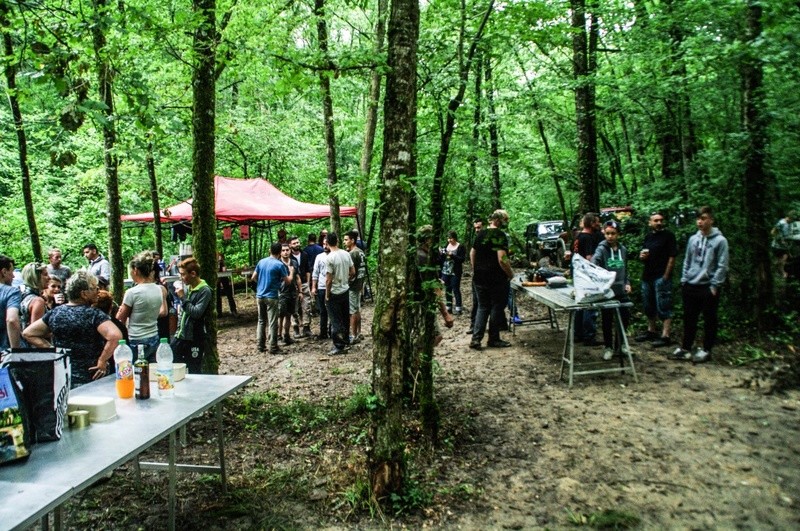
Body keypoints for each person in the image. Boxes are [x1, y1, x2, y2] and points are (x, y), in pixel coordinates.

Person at [22, 270, 122, 388]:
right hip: (92, 375)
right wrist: (102, 360)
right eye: (95, 288)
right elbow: (115, 336)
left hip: (63, 375)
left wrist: (53, 350)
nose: (98, 291)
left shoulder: (55, 312)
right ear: (84, 294)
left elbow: (28, 333)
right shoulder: (94, 314)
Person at [670, 206, 729, 364]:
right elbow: (687, 260)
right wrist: (684, 280)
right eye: (698, 219)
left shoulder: (720, 241)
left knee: (709, 319)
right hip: (691, 284)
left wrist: (715, 285)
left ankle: (706, 349)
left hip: (708, 286)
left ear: (711, 220)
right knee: (689, 318)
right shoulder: (693, 239)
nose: (700, 222)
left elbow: (722, 265)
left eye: (703, 218)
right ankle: (686, 348)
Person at [470, 209, 514, 350]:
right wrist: (510, 273)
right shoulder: (499, 235)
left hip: (479, 277)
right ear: (498, 220)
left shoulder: (481, 233)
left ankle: (476, 339)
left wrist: (475, 268)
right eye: (504, 221)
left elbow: (472, 252)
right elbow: (502, 258)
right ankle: (493, 339)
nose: (504, 224)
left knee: (483, 307)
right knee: (496, 306)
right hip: (496, 279)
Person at [636, 211, 677, 347]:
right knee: (649, 305)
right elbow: (644, 254)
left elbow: (672, 257)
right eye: (656, 221)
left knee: (664, 305)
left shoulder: (668, 236)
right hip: (647, 276)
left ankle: (665, 335)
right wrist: (642, 257)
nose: (659, 223)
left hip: (661, 276)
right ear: (650, 222)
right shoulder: (648, 237)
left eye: (661, 220)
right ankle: (651, 330)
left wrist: (666, 275)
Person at [592, 221, 632, 361]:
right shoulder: (601, 249)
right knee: (607, 319)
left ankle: (620, 345)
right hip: (607, 291)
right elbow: (594, 264)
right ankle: (608, 347)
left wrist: (627, 283)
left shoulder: (623, 250)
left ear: (618, 234)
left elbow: (625, 269)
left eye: (613, 233)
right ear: (604, 233)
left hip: (621, 290)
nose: (610, 236)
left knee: (624, 318)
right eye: (607, 233)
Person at [116, 251, 167, 362]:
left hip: (136, 339)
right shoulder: (161, 289)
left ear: (135, 270)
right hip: (154, 336)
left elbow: (120, 319)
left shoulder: (132, 293)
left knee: (138, 372)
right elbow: (164, 312)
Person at [172, 257, 213, 373]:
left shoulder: (205, 291)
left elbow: (196, 313)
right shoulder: (189, 287)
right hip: (180, 336)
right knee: (173, 366)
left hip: (195, 338)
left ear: (193, 274)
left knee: (194, 370)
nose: (181, 278)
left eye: (183, 274)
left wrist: (182, 298)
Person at [416, 225, 455, 346]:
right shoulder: (422, 258)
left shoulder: (418, 254)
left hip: (419, 302)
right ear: (428, 240)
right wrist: (445, 314)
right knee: (434, 336)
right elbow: (433, 288)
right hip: (421, 303)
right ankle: (420, 361)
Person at [252, 242, 290, 354]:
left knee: (261, 320)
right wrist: (291, 273)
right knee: (273, 322)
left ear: (270, 250)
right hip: (272, 296)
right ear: (279, 253)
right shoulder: (279, 265)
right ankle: (273, 347)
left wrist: (261, 284)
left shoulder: (261, 262)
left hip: (260, 295)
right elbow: (287, 281)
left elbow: (253, 277)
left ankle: (260, 345)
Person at [573, 213, 602, 346]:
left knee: (580, 304)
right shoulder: (588, 238)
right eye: (597, 222)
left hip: (578, 274)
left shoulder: (578, 236)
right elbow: (589, 258)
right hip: (587, 276)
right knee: (590, 306)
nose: (599, 224)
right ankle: (589, 336)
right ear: (591, 223)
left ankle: (577, 334)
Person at [325, 232, 354, 355]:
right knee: (345, 316)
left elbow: (328, 279)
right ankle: (346, 339)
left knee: (335, 319)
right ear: (337, 240)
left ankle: (339, 346)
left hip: (335, 292)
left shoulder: (330, 258)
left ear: (327, 243)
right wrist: (346, 279)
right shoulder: (346, 254)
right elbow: (353, 271)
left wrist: (327, 294)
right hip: (345, 290)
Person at [18, 262, 49, 346]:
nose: (49, 278)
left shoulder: (20, 295)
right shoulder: (37, 301)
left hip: (21, 345)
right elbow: (36, 332)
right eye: (45, 275)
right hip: (35, 350)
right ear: (36, 277)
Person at [344, 230, 367, 343]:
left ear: (352, 240)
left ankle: (353, 335)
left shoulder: (352, 254)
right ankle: (358, 332)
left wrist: (345, 281)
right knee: (357, 309)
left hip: (352, 286)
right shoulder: (361, 252)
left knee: (352, 311)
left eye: (346, 240)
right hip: (359, 284)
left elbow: (351, 272)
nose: (344, 242)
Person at [278, 243, 301, 345]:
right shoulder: (278, 263)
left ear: (290, 250)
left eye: (287, 250)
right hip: (281, 292)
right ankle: (278, 335)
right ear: (280, 252)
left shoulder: (294, 263)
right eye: (283, 250)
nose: (285, 252)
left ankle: (286, 335)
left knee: (289, 315)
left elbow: (297, 278)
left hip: (292, 292)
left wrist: (300, 291)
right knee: (280, 315)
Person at [290, 235, 312, 338]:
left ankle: (306, 328)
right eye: (294, 243)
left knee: (306, 306)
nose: (296, 245)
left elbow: (308, 270)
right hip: (292, 285)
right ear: (290, 245)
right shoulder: (288, 257)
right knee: (294, 307)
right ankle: (296, 328)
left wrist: (308, 283)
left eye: (297, 242)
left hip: (304, 283)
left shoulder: (305, 254)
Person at [441, 230, 466, 316]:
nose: (449, 240)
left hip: (455, 271)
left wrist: (453, 256)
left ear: (454, 238)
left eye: (451, 238)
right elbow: (443, 258)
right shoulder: (446, 245)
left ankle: (458, 307)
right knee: (447, 289)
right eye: (448, 238)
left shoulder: (460, 247)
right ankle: (449, 307)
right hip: (446, 271)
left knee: (455, 289)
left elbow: (462, 259)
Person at [0, 255, 22, 350]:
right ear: (4, 272)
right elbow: (11, 320)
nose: (13, 276)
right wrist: (15, 351)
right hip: (3, 350)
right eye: (12, 271)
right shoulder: (11, 292)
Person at [311, 236, 331, 340]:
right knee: (323, 311)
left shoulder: (335, 255)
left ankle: (332, 331)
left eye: (327, 244)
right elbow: (315, 272)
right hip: (322, 287)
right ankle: (323, 332)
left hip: (333, 287)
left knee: (332, 310)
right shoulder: (319, 257)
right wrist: (314, 287)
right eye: (324, 244)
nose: (325, 246)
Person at [467, 218, 484, 334]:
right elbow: (472, 253)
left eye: (479, 227)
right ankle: (474, 326)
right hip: (479, 274)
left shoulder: (488, 236)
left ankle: (500, 324)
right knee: (477, 302)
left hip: (489, 273)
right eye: (475, 228)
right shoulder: (476, 238)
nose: (477, 230)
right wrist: (474, 269)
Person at [772, 210, 795, 279]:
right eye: (792, 219)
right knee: (782, 259)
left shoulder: (790, 223)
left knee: (783, 259)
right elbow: (773, 232)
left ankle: (779, 271)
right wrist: (779, 238)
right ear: (789, 217)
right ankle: (781, 273)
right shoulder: (781, 223)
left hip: (785, 245)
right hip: (777, 245)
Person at [216, 252, 238, 316]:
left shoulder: (221, 261)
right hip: (217, 278)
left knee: (229, 294)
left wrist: (221, 263)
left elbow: (224, 269)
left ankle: (233, 310)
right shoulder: (213, 260)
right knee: (217, 296)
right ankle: (219, 312)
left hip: (224, 278)